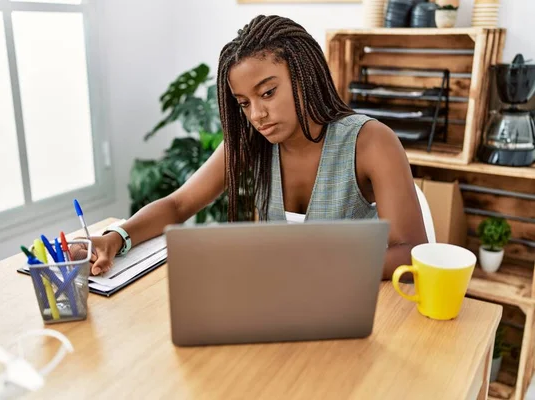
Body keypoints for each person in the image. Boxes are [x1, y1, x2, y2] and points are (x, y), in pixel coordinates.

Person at [73, 14, 428, 280]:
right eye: (244, 103)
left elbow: (412, 252)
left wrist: (322, 268)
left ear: (305, 77)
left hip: (360, 308)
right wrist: (116, 237)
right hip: (278, 305)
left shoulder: (369, 141)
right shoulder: (252, 141)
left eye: (268, 92)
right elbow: (180, 203)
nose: (257, 114)